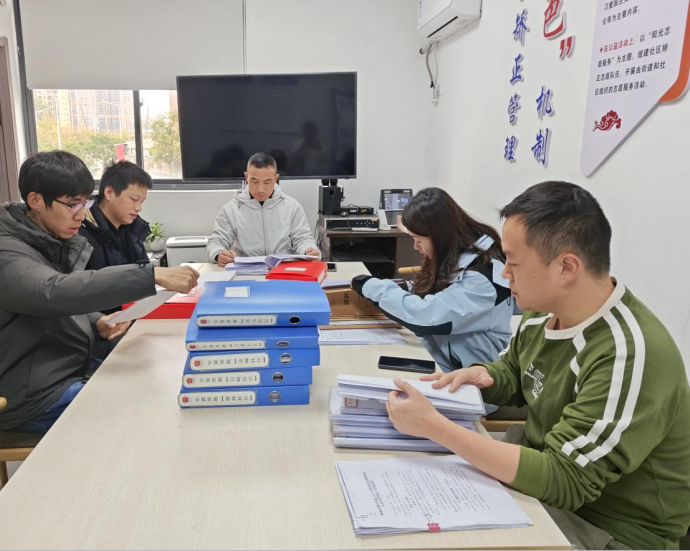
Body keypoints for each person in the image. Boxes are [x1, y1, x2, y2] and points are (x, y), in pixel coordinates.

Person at [386, 182, 690, 550]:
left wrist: (434, 426)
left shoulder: (630, 354)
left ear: (566, 267)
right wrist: (487, 375)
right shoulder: (545, 312)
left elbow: (567, 480)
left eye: (513, 262)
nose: (504, 274)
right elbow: (517, 372)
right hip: (542, 484)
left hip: (608, 528)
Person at [0, 151, 199, 433]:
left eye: (84, 202)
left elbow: (52, 304)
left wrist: (95, 321)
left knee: (157, 375)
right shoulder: (1, 255)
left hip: (69, 367)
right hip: (33, 397)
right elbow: (53, 292)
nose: (80, 214)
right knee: (147, 409)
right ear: (36, 200)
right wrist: (150, 275)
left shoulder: (45, 237)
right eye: (72, 204)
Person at [351, 188, 515, 410]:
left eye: (418, 240)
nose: (416, 247)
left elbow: (427, 316)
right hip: (438, 361)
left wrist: (372, 287)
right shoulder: (458, 253)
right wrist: (396, 288)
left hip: (470, 388)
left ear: (439, 236)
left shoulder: (484, 277)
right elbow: (431, 292)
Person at [207, 152, 320, 267]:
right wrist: (218, 254)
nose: (260, 189)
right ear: (246, 177)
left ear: (276, 178)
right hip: (245, 271)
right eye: (254, 181)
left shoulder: (292, 207)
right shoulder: (231, 209)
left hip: (281, 269)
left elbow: (302, 238)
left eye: (267, 182)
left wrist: (308, 250)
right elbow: (217, 241)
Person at [80, 160, 153, 272]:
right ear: (109, 193)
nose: (139, 208)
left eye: (142, 202)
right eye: (134, 199)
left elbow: (144, 272)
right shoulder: (81, 231)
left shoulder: (133, 229)